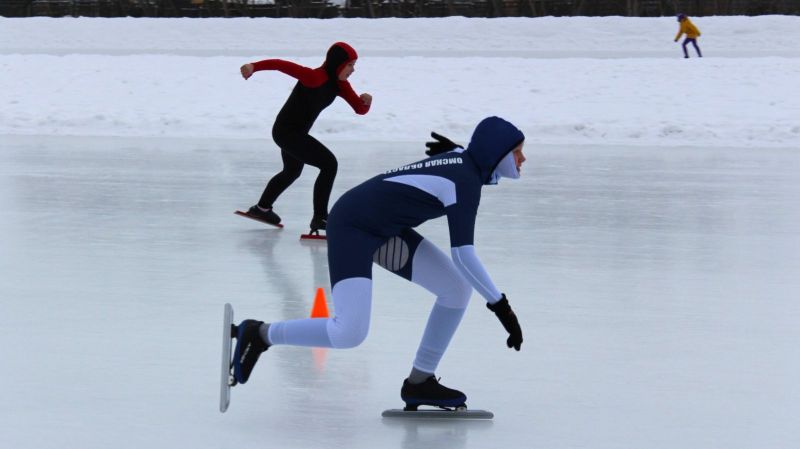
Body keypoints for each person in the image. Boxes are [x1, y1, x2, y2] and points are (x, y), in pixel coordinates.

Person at [230, 116, 526, 410]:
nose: (523, 159)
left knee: (456, 289)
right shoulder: (463, 180)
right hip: (352, 227)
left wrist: (455, 152)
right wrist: (502, 308)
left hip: (385, 229)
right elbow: (463, 255)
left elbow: (462, 158)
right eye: (516, 152)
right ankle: (259, 334)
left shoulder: (463, 164)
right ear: (496, 154)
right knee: (349, 332)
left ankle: (420, 381)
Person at [240, 42, 372, 232]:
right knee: (329, 165)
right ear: (338, 63)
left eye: (354, 65)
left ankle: (261, 209)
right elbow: (280, 64)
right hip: (285, 132)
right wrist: (253, 66)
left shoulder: (340, 85)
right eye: (350, 65)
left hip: (297, 134)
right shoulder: (314, 77)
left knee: (292, 171)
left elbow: (360, 109)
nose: (353, 70)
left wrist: (367, 101)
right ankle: (320, 218)